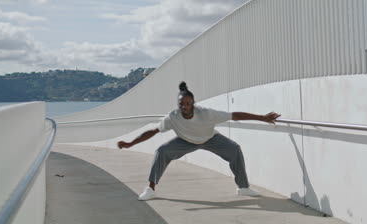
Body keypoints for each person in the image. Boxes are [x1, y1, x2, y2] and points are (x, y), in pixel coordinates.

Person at [117, 81, 281, 201]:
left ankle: (243, 187)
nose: (185, 107)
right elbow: (153, 131)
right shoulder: (173, 117)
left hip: (211, 139)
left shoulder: (207, 114)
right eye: (182, 103)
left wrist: (262, 118)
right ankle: (151, 189)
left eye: (188, 104)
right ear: (178, 104)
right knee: (162, 151)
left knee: (235, 149)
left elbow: (235, 115)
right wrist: (130, 143)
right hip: (185, 141)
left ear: (193, 104)